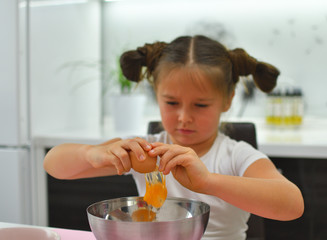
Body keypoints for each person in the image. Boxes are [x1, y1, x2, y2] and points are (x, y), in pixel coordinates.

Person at [44, 35, 304, 240]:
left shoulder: (236, 155)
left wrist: (208, 181)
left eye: (200, 105)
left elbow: (292, 204)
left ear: (228, 100)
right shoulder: (143, 150)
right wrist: (92, 154)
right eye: (171, 102)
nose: (183, 117)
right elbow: (54, 165)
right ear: (156, 95)